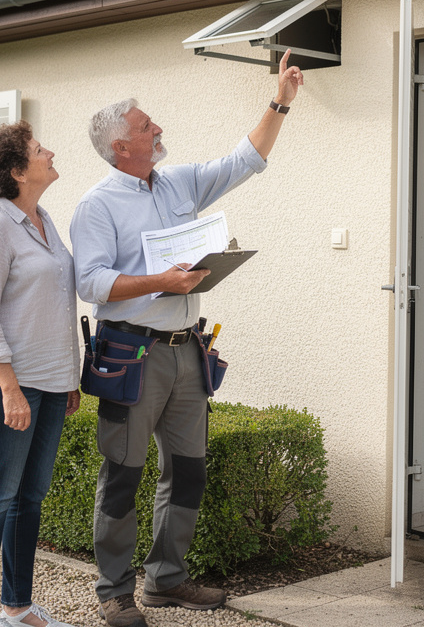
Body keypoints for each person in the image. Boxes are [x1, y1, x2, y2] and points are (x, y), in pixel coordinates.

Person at [70, 51, 304, 627]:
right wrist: (162, 281)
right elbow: (90, 282)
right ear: (121, 146)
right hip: (132, 352)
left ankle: (165, 581)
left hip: (186, 351)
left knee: (189, 471)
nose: (158, 130)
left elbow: (243, 161)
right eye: (147, 126)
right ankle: (114, 591)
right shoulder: (96, 206)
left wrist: (280, 102)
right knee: (121, 475)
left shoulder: (175, 183)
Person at [0, 121, 82, 627]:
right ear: (17, 171)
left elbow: (55, 303)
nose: (50, 152)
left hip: (52, 383)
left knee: (29, 497)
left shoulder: (46, 221)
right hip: (7, 384)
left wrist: (69, 377)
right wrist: (9, 388)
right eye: (38, 150)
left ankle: (18, 605)